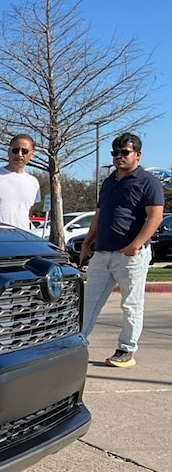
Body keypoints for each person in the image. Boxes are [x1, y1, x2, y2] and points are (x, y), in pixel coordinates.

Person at [79, 132, 165, 368]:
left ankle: (126, 350)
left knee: (131, 304)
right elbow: (99, 215)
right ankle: (77, 343)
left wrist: (135, 245)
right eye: (115, 153)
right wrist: (87, 243)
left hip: (130, 256)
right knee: (88, 301)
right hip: (102, 253)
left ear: (137, 155)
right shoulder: (108, 182)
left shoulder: (148, 182)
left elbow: (155, 217)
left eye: (124, 152)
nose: (119, 157)